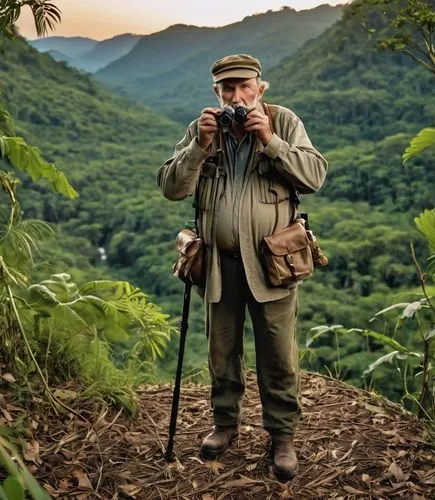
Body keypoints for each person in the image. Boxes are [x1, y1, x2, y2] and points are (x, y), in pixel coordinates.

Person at [157, 54, 327, 481]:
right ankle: (225, 423)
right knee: (221, 351)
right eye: (227, 89)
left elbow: (314, 176)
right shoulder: (204, 129)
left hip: (272, 264)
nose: (236, 96)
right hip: (218, 264)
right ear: (216, 92)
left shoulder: (283, 121)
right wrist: (199, 148)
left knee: (278, 353)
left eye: (243, 87)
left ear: (259, 86)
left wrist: (270, 139)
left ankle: (282, 436)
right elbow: (171, 188)